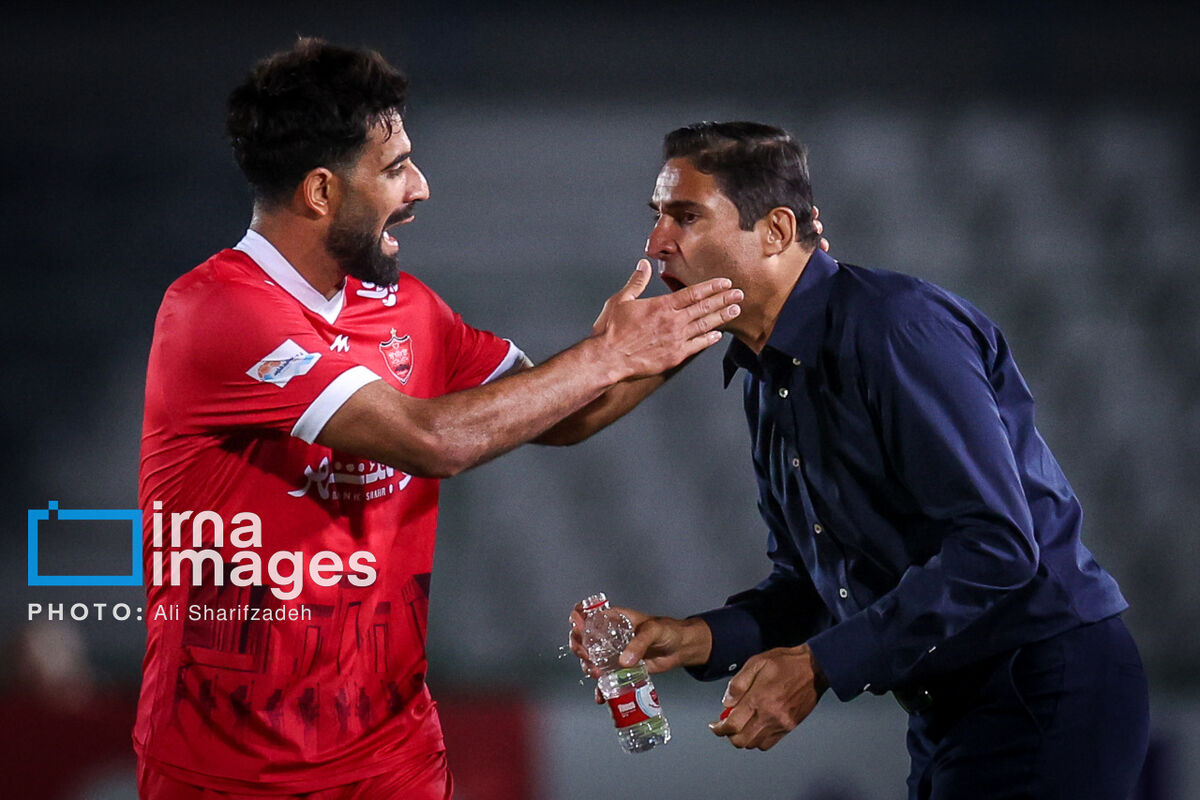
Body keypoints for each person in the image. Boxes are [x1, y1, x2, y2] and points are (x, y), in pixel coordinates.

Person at [134, 39, 745, 800]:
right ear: (320, 191)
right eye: (395, 168)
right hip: (229, 770)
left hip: (394, 759)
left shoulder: (409, 310)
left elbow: (559, 413)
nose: (420, 187)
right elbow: (434, 441)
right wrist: (608, 354)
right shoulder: (216, 310)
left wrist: (699, 316)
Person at [570, 121, 1149, 799]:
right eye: (657, 216)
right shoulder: (767, 375)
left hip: (1043, 687)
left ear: (777, 231)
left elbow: (997, 547)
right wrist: (690, 637)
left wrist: (820, 665)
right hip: (953, 709)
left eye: (686, 216)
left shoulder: (896, 329)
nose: (656, 242)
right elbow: (815, 588)